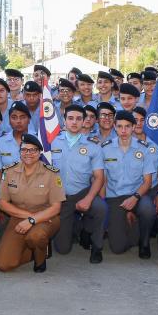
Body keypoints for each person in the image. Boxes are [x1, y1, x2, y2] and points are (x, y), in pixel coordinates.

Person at [0, 133, 65, 273]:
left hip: (46, 218)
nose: (28, 153)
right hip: (18, 218)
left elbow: (56, 207)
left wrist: (34, 219)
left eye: (33, 150)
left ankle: (40, 259)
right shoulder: (9, 171)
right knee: (4, 265)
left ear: (39, 153)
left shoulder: (51, 173)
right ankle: (32, 249)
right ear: (20, 152)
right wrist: (29, 217)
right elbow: (2, 203)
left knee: (36, 236)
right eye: (24, 150)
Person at [51, 105, 106, 263]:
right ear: (64, 121)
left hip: (83, 192)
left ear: (84, 121)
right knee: (62, 249)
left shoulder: (93, 145)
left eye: (78, 119)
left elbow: (99, 177)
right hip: (60, 197)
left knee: (100, 208)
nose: (74, 122)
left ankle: (97, 247)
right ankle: (78, 228)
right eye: (70, 118)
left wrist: (88, 199)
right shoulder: (52, 142)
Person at [102, 111, 157, 258]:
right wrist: (104, 204)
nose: (123, 131)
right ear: (114, 127)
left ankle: (144, 243)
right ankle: (130, 225)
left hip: (137, 194)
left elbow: (148, 182)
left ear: (134, 127)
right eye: (120, 126)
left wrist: (135, 198)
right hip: (115, 198)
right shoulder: (105, 148)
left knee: (147, 209)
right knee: (118, 248)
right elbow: (103, 180)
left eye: (127, 126)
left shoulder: (144, 148)